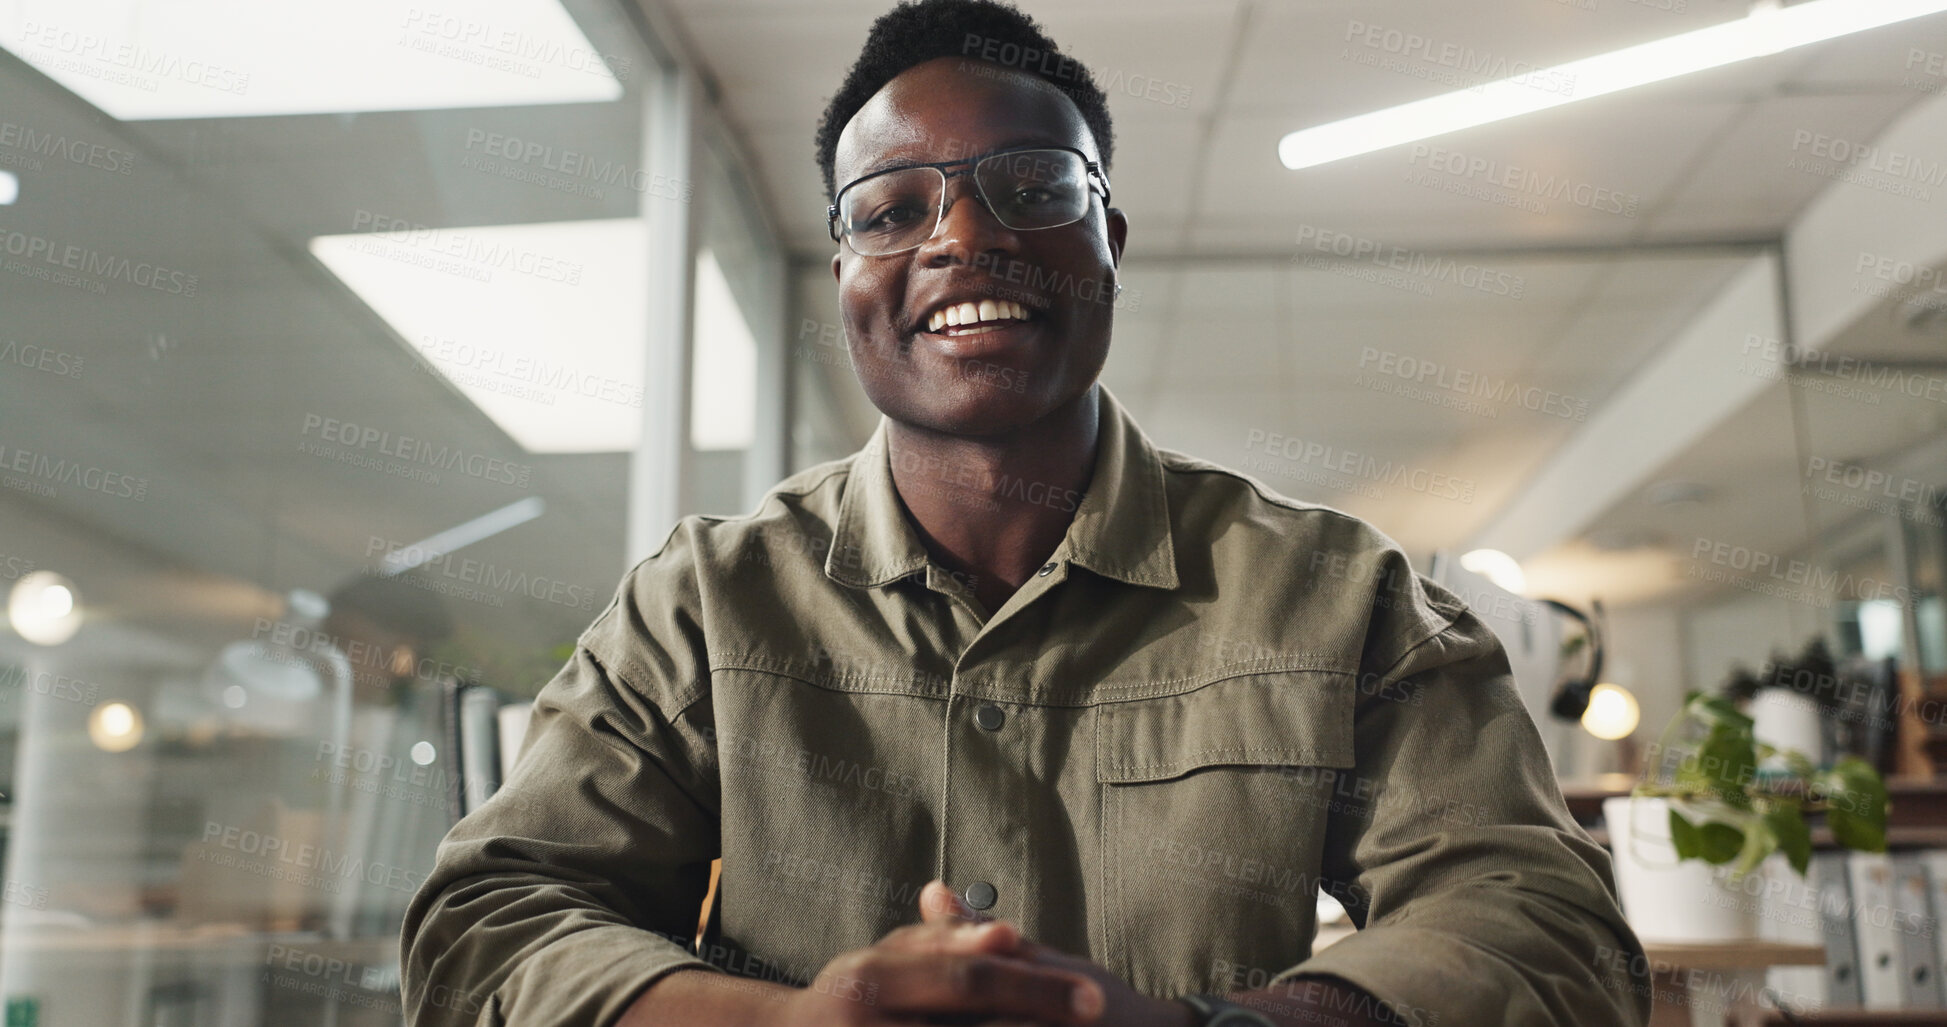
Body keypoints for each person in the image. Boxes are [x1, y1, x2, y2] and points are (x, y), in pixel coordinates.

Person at [400, 2, 1652, 1025]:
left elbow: (1545, 923)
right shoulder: (703, 605)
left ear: (1108, 237)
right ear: (844, 275)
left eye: (1031, 187)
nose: (962, 238)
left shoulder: (1332, 593)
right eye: (891, 210)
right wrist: (789, 1025)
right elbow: (487, 930)